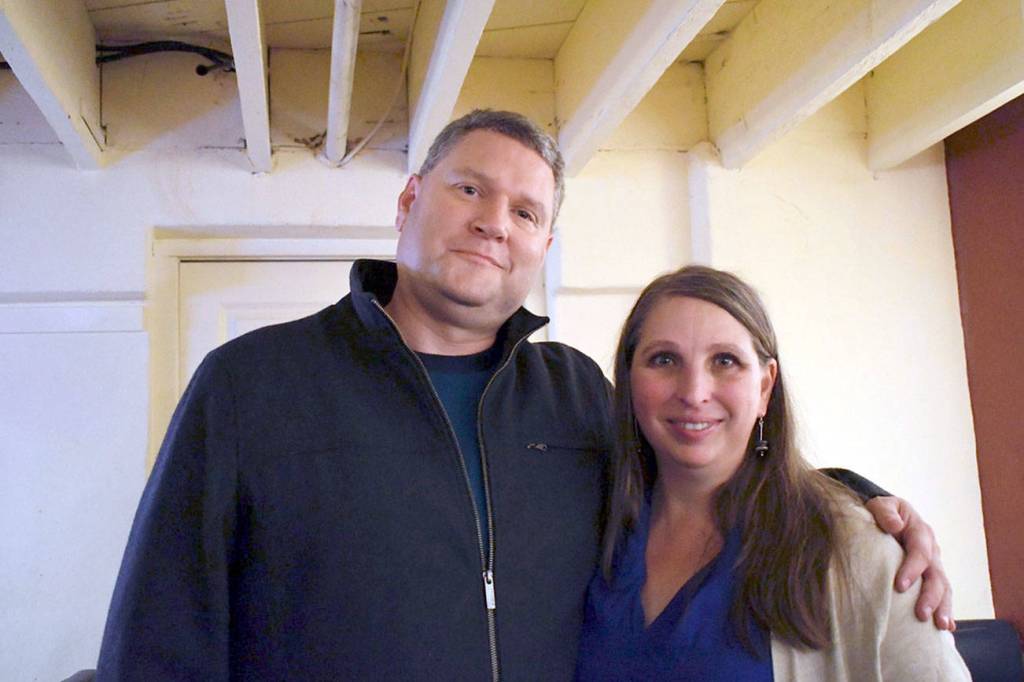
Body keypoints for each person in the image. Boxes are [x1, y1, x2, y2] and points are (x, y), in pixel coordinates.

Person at [97, 110, 952, 680]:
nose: (493, 222)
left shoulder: (574, 393)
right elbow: (158, 639)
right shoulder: (251, 385)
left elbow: (700, 464)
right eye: (470, 189)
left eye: (526, 212)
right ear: (410, 199)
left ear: (543, 244)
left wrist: (861, 502)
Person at [574, 266, 969, 681]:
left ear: (765, 387)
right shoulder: (593, 525)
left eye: (725, 361)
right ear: (629, 380)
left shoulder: (859, 550)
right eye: (664, 359)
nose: (693, 392)